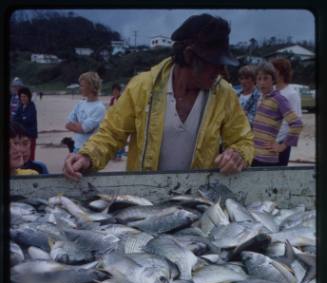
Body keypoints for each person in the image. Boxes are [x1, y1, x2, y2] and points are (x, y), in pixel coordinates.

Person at [63, 13, 254, 181]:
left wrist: (238, 154)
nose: (222, 70)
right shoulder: (142, 87)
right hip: (145, 198)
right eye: (215, 62)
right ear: (189, 55)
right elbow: (112, 134)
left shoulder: (224, 94)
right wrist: (87, 156)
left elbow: (243, 140)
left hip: (198, 200)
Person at [252, 62, 303, 167]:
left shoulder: (279, 99)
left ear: (273, 80)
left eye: (266, 78)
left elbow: (297, 124)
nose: (262, 83)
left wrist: (282, 146)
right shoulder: (261, 98)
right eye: (259, 79)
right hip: (254, 155)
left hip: (267, 159)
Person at [270, 57, 302, 166]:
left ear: (281, 72)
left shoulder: (292, 94)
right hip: (265, 143)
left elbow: (297, 123)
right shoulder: (269, 90)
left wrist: (283, 145)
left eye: (273, 70)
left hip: (280, 143)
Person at [65, 71, 106, 152]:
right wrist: (80, 126)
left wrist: (78, 126)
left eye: (82, 86)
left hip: (90, 151)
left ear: (91, 86)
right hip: (76, 147)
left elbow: (84, 129)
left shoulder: (99, 108)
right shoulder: (80, 104)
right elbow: (67, 124)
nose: (80, 88)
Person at [13, 87, 38, 162]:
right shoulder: (20, 106)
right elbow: (14, 119)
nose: (23, 98)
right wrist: (22, 118)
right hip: (22, 135)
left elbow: (29, 120)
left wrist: (21, 120)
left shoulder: (32, 106)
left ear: (28, 97)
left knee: (30, 156)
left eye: (24, 96)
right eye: (21, 96)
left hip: (30, 135)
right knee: (22, 155)